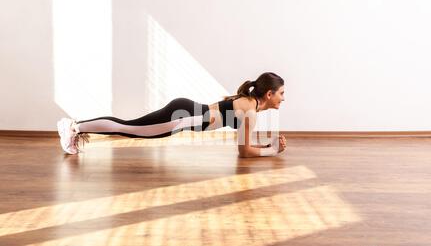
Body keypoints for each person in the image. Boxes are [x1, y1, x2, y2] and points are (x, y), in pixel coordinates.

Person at [57, 71, 287, 157]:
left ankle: (75, 128)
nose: (283, 98)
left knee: (129, 127)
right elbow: (244, 152)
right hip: (180, 117)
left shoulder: (249, 104)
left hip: (183, 111)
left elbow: (244, 145)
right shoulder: (250, 111)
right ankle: (74, 127)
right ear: (269, 94)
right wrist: (271, 150)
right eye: (281, 93)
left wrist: (267, 147)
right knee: (127, 128)